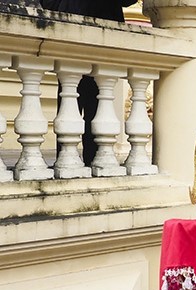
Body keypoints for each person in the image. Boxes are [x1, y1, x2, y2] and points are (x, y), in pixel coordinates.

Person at [39, 0, 138, 166]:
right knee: (69, 98)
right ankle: (66, 160)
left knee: (97, 102)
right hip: (70, 32)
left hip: (105, 34)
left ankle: (94, 159)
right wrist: (61, 9)